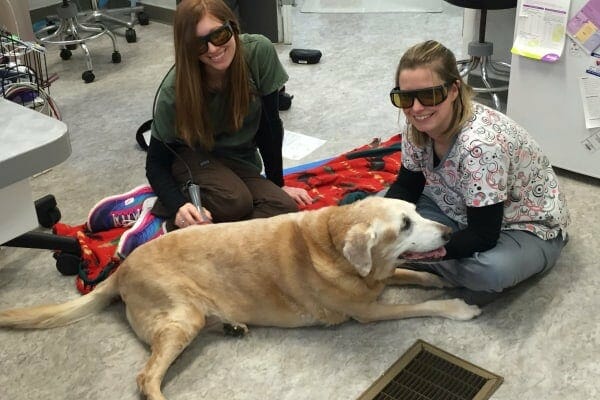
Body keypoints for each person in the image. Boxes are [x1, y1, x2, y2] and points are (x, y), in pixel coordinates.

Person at [86, 0, 311, 259]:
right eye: (199, 43)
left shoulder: (258, 52)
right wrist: (178, 206)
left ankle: (197, 229)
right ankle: (161, 217)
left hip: (239, 161)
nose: (213, 49)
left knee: (282, 208)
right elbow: (156, 163)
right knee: (235, 201)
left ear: (233, 27)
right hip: (190, 159)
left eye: (220, 35)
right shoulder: (174, 91)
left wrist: (277, 183)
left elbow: (270, 127)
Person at [385, 40, 570, 305]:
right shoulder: (417, 126)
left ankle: (419, 256)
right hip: (455, 203)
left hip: (520, 225)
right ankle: (428, 251)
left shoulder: (480, 147)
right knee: (380, 209)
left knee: (490, 272)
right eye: (405, 97)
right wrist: (380, 219)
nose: (415, 108)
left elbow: (484, 234)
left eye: (429, 95)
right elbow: (408, 185)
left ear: (454, 90)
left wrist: (415, 252)